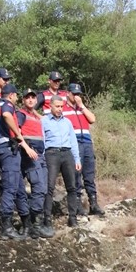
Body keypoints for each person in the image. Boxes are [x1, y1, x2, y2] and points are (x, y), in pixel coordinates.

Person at [0, 83, 37, 239]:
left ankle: (27, 225)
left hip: (1, 148)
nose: (16, 98)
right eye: (16, 95)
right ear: (11, 95)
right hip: (9, 150)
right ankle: (6, 228)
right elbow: (7, 116)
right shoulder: (7, 105)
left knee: (19, 189)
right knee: (10, 188)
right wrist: (18, 134)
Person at [64, 82, 105, 216]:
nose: (76, 96)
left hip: (87, 143)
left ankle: (93, 203)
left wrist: (81, 106)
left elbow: (92, 119)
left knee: (89, 174)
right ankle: (77, 205)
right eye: (74, 94)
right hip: (74, 143)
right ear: (68, 94)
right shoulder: (63, 109)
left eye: (78, 94)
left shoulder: (82, 109)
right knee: (76, 174)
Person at [42, 95, 81, 228]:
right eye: (57, 106)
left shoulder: (67, 122)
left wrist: (77, 159)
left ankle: (73, 217)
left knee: (72, 187)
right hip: (51, 153)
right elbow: (42, 140)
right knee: (49, 187)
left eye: (61, 107)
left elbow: (73, 141)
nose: (60, 109)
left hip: (67, 153)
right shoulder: (44, 121)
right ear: (50, 106)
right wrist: (42, 157)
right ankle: (47, 218)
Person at [18, 89, 53, 238]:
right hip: (30, 154)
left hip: (41, 154)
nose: (31, 100)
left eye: (33, 97)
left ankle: (34, 222)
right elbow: (16, 132)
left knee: (44, 189)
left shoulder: (38, 117)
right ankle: (33, 223)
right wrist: (26, 148)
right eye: (28, 98)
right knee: (38, 188)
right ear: (23, 100)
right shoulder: (21, 114)